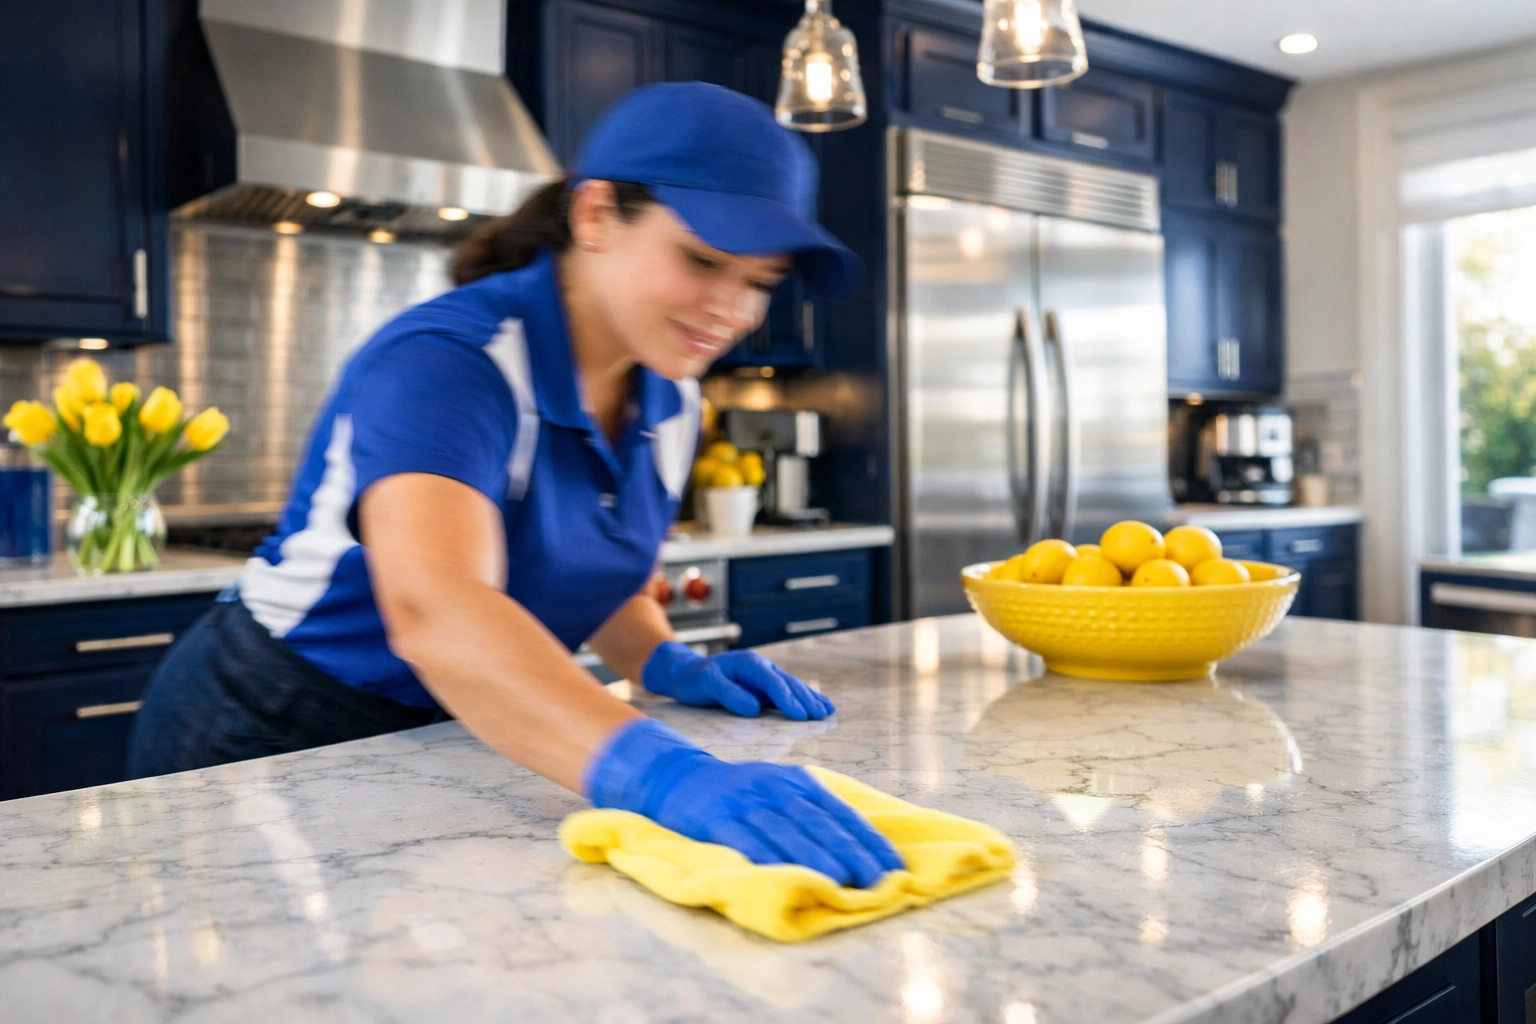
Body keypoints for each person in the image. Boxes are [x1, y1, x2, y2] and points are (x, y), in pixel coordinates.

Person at [127, 83, 902, 888]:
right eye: (703, 260)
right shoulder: (451, 360)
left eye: (762, 280)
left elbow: (596, 585)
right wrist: (666, 775)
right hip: (267, 725)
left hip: (460, 726)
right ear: (595, 214)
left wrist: (667, 663)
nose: (734, 308)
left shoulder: (672, 398)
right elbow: (438, 610)